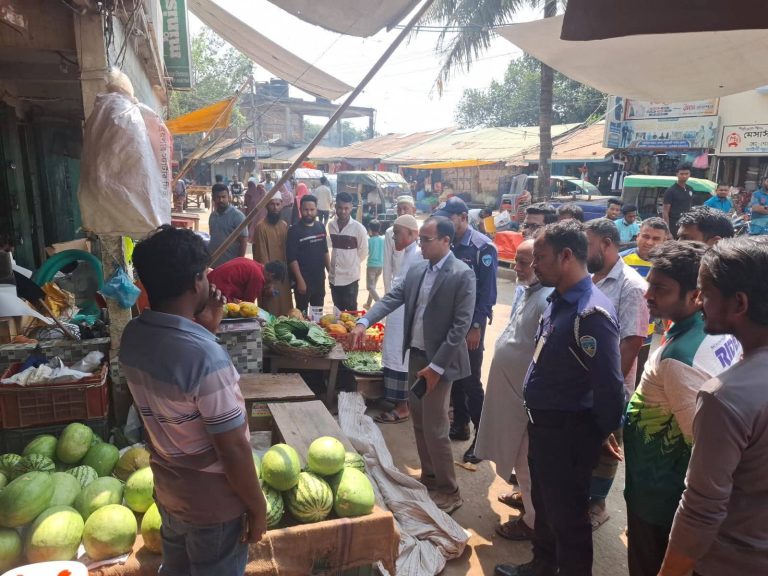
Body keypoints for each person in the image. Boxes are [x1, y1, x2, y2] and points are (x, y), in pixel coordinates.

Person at [120, 226, 267, 574]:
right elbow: (232, 450)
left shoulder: (133, 337)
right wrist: (258, 508)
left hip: (170, 493)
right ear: (194, 282)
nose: (209, 280)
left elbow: (180, 380)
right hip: (213, 508)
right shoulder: (206, 359)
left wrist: (206, 328)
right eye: (204, 274)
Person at [495, 220, 625, 576]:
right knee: (545, 506)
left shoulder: (590, 314)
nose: (533, 265)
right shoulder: (557, 300)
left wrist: (595, 435)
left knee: (568, 519)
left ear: (566, 256)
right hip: (544, 428)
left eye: (540, 257)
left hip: (569, 434)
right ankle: (541, 565)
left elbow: (611, 389)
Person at [624, 241, 742, 576]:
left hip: (660, 494)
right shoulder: (711, 331)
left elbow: (701, 443)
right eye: (650, 283)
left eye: (660, 289)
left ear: (696, 295)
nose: (648, 295)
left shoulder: (681, 360)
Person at [349, 216, 476, 514]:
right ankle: (430, 477)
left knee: (436, 426)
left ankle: (450, 489)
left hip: (439, 363)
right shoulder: (419, 268)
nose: (421, 245)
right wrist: (365, 321)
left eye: (427, 240)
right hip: (416, 356)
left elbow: (460, 327)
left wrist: (436, 367)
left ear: (446, 241)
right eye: (421, 240)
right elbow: (393, 297)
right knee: (418, 422)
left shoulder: (462, 274)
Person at [659, 237, 768, 576]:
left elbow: (701, 511)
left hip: (731, 560)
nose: (699, 301)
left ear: (739, 304)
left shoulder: (723, 396)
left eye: (704, 292)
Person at [476, 239, 553, 542]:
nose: (518, 268)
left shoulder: (548, 299)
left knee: (526, 460)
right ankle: (526, 501)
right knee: (519, 458)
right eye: (518, 262)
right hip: (510, 393)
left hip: (526, 400)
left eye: (524, 263)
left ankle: (533, 523)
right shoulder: (528, 291)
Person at [584, 218, 650, 531]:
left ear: (607, 244)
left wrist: (607, 389)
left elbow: (633, 342)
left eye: (588, 244)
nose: (583, 251)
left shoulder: (631, 286)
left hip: (611, 385)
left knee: (606, 443)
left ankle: (598, 504)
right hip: (580, 381)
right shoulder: (588, 277)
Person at [434, 197, 498, 463]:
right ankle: (460, 425)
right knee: (455, 375)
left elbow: (488, 293)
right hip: (450, 324)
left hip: (472, 324)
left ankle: (483, 441)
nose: (445, 222)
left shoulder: (482, 247)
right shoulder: (448, 244)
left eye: (450, 217)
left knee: (471, 380)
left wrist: (475, 327)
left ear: (462, 216)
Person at [375, 214, 422, 424]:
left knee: (402, 358)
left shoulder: (418, 254)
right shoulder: (408, 253)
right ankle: (398, 401)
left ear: (412, 234)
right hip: (397, 314)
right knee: (394, 353)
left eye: (397, 234)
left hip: (405, 316)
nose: (394, 238)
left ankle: (403, 407)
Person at [251, 190, 293, 316]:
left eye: (278, 204)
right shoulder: (261, 227)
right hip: (269, 278)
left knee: (286, 310)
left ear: (282, 205)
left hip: (284, 278)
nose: (275, 208)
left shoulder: (284, 225)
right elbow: (261, 255)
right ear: (266, 206)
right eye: (272, 204)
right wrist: (268, 283)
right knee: (270, 311)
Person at [286, 195, 329, 314]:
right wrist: (300, 280)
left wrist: (330, 272)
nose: (309, 213)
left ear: (316, 210)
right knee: (302, 314)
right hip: (303, 281)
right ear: (300, 210)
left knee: (317, 313)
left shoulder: (321, 227)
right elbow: (292, 258)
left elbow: (325, 251)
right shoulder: (294, 230)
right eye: (306, 210)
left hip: (319, 280)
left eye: (312, 210)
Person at [328, 191, 368, 312]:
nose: (343, 211)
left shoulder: (358, 228)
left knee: (351, 313)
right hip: (334, 278)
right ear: (335, 207)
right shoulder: (331, 226)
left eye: (346, 208)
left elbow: (363, 252)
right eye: (340, 208)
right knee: (337, 312)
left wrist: (351, 264)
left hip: (350, 279)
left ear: (351, 208)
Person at [208, 257, 286, 305]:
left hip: (211, 280)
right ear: (271, 275)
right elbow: (248, 305)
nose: (272, 285)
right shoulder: (258, 277)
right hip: (216, 290)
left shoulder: (257, 266)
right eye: (273, 282)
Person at [383, 195, 417, 294]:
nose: (402, 212)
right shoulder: (390, 233)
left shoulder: (422, 231)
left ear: (414, 210)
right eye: (399, 209)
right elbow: (387, 265)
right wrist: (388, 293)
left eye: (405, 209)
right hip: (397, 289)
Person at [208, 184, 248, 267]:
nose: (221, 200)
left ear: (229, 197)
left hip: (230, 265)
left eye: (223, 197)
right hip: (214, 264)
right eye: (218, 197)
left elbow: (244, 241)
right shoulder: (212, 216)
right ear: (213, 198)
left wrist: (239, 263)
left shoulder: (237, 216)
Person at [662, 163, 693, 237]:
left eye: (686, 173)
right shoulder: (670, 191)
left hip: (686, 223)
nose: (684, 176)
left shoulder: (690, 189)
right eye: (681, 174)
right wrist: (667, 231)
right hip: (674, 224)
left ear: (690, 174)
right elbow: (665, 212)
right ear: (677, 174)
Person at [364, 220, 385, 308]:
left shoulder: (369, 240)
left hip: (372, 265)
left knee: (370, 287)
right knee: (373, 286)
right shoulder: (383, 239)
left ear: (370, 229)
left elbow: (366, 252)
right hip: (380, 266)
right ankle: (368, 304)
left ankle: (380, 303)